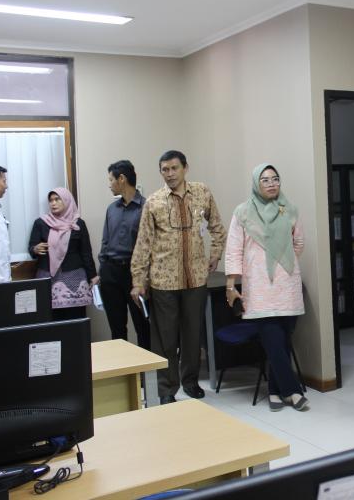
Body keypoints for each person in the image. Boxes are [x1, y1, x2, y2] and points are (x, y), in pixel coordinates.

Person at [130, 150, 225, 404]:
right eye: (165, 169)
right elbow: (143, 244)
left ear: (185, 168)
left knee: (193, 335)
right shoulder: (154, 202)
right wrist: (138, 281)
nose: (170, 174)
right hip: (163, 281)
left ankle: (190, 382)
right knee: (165, 339)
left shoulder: (202, 193)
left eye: (174, 168)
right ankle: (166, 389)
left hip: (196, 279)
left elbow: (217, 227)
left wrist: (215, 254)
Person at [224, 164, 308, 411]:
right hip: (259, 286)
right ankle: (292, 391)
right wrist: (231, 284)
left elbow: (298, 243)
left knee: (282, 341)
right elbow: (234, 249)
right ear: (256, 184)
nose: (271, 184)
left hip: (287, 284)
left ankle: (274, 391)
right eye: (265, 180)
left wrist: (282, 261)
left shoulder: (289, 209)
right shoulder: (243, 212)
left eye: (275, 179)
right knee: (272, 339)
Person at [99, 160, 150, 349]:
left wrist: (144, 278)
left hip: (134, 273)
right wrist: (102, 269)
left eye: (111, 179)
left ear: (122, 179)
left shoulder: (146, 207)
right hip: (110, 273)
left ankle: (145, 367)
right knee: (117, 327)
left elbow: (149, 245)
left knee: (143, 326)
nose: (109, 184)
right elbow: (105, 241)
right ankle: (122, 366)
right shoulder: (112, 209)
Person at [28, 187, 99, 320]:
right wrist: (35, 249)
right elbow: (32, 248)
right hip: (48, 278)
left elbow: (86, 252)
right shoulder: (41, 223)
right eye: (50, 200)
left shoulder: (78, 223)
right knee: (51, 321)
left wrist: (93, 275)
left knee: (75, 320)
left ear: (66, 200)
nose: (53, 203)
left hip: (74, 278)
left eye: (57, 199)